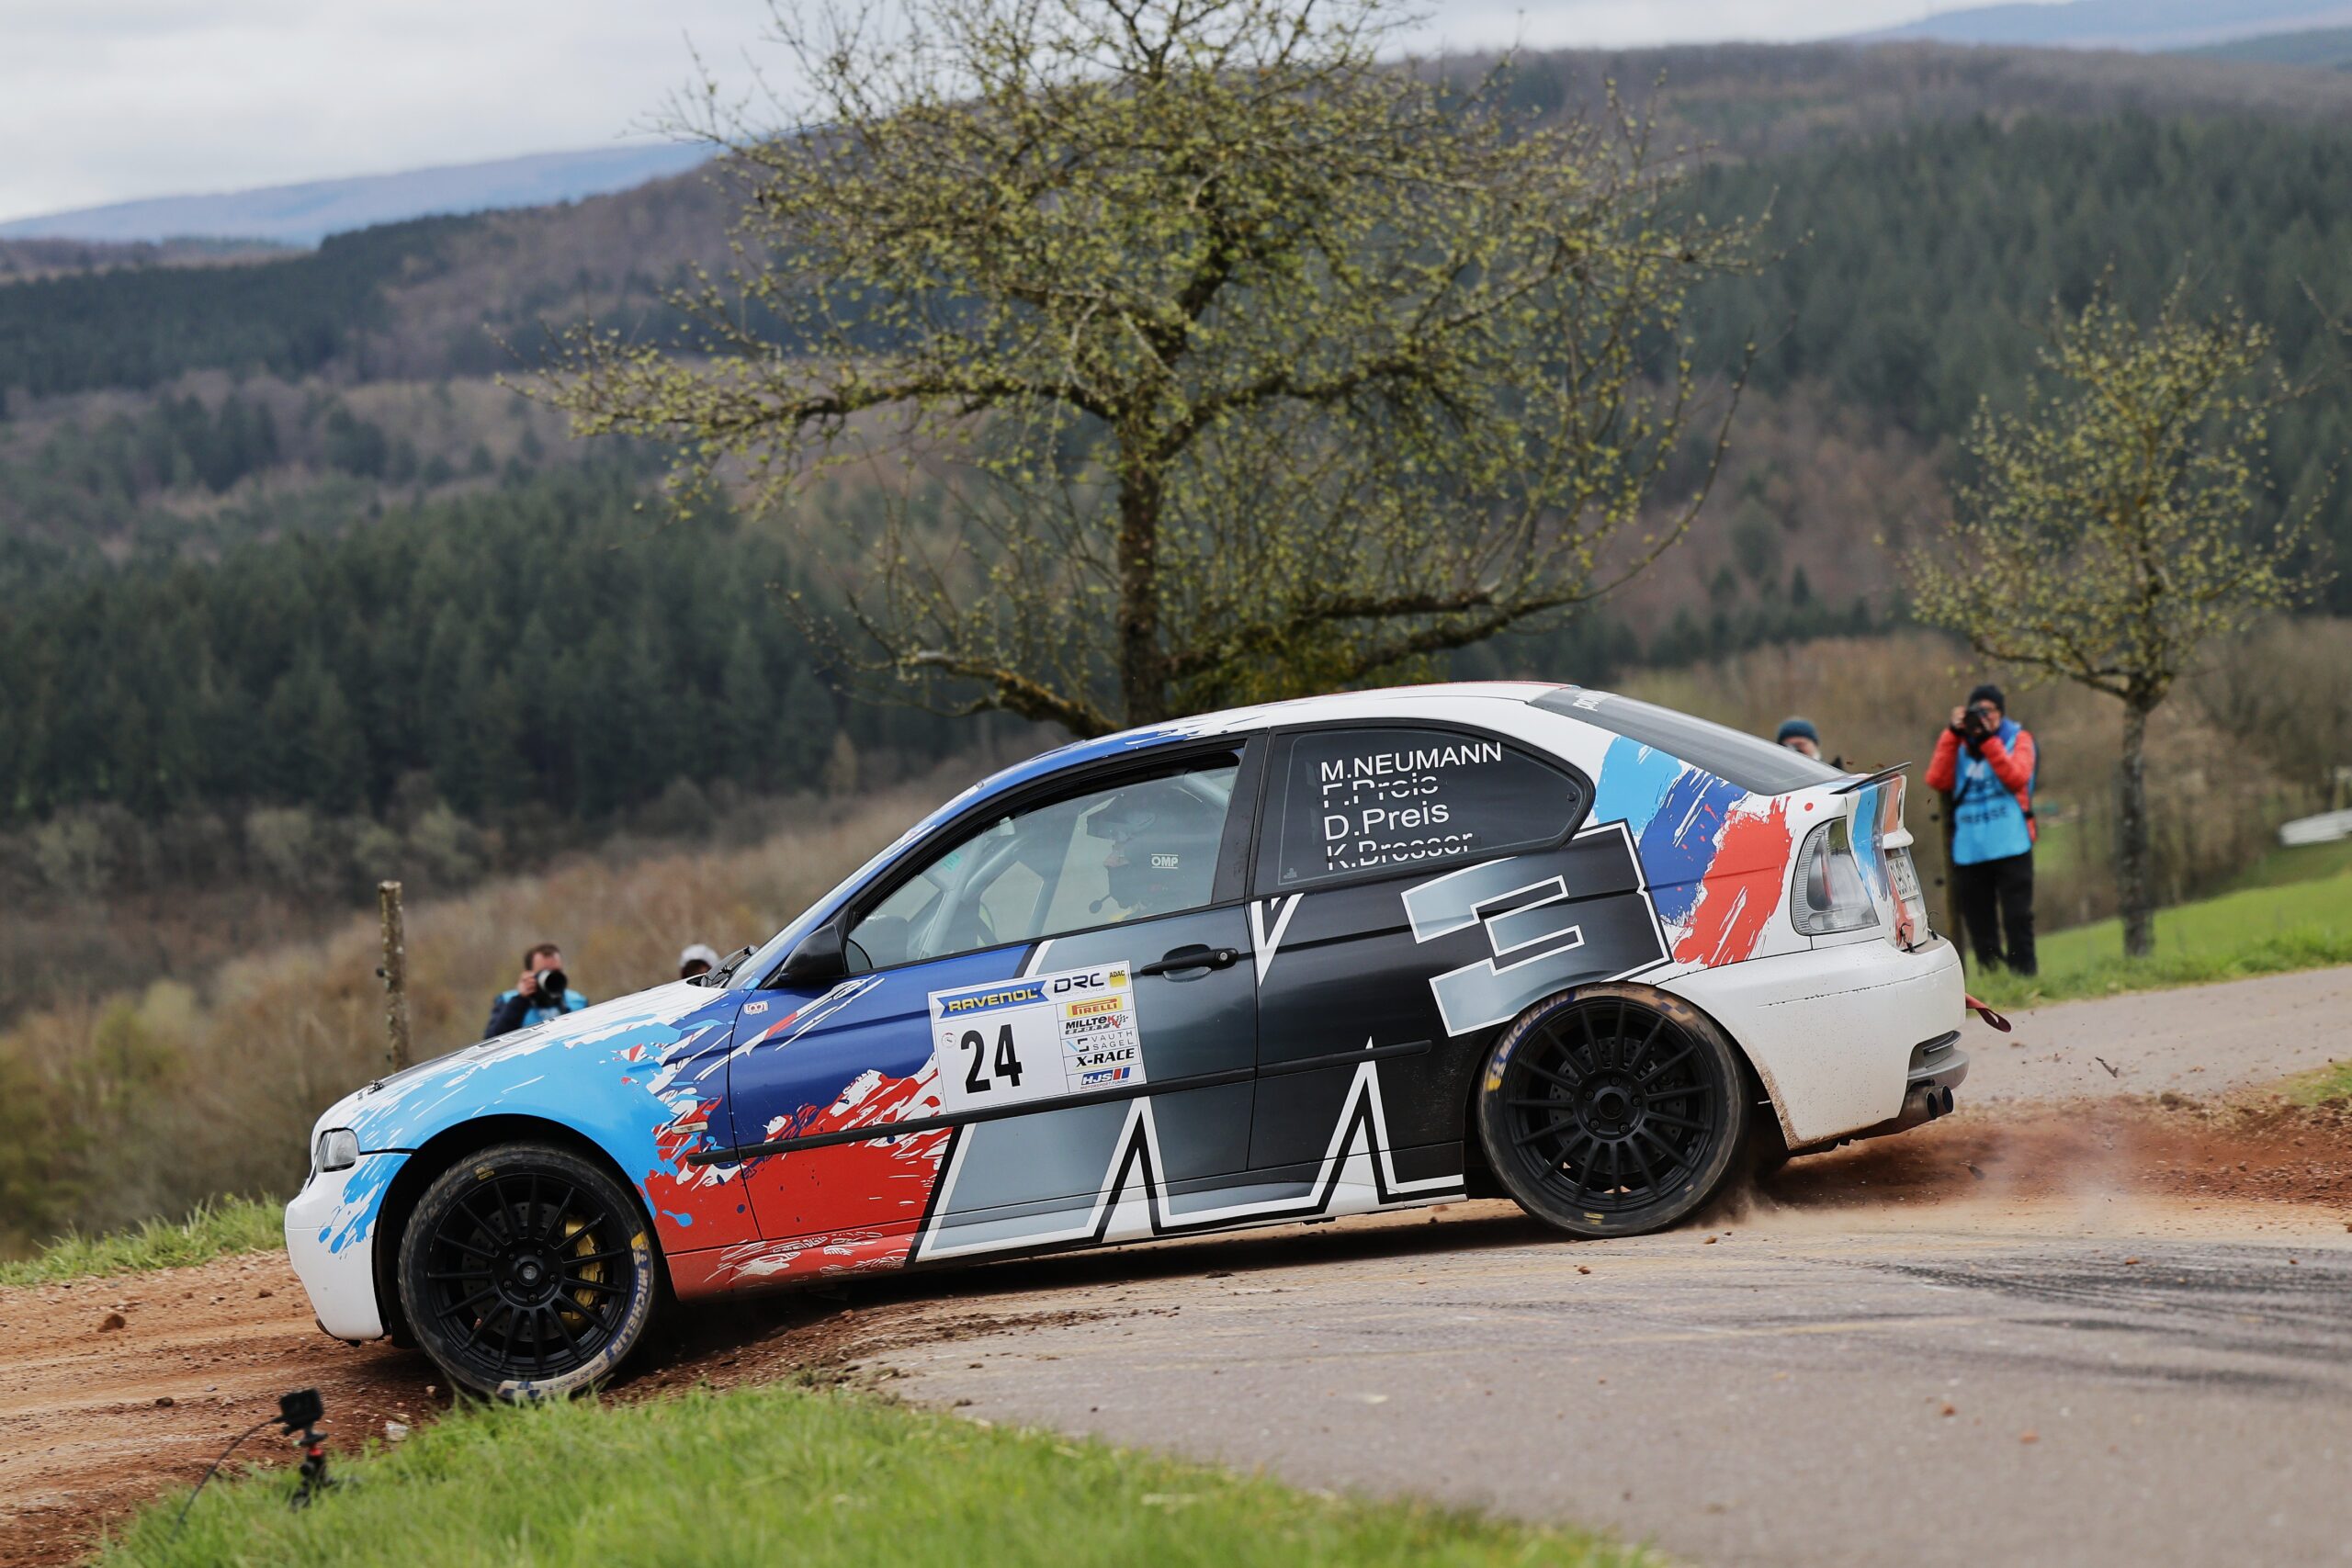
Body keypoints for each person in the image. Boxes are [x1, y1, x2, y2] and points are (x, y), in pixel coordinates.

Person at [1926, 682, 2038, 976]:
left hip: (2012, 844)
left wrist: (1988, 741)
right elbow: (1937, 779)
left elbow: (2017, 778)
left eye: (1989, 711)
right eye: (1977, 711)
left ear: (2001, 713)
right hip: (1970, 850)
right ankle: (1993, 978)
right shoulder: (1958, 744)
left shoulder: (2018, 739)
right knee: (1979, 922)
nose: (1983, 717)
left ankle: (2024, 976)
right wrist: (1952, 734)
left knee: (2017, 917)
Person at [483, 942, 589, 1040]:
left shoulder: (578, 1002)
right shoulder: (508, 1002)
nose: (552, 977)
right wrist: (520, 1000)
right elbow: (493, 1041)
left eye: (557, 971)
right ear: (528, 974)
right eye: (545, 972)